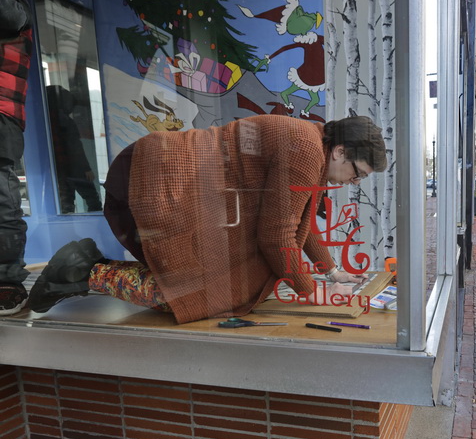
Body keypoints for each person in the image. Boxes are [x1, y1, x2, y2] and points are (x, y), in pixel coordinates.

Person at [28, 114, 387, 324]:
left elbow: (298, 224)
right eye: (356, 174)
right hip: (163, 180)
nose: (351, 183)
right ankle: (84, 269)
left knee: (215, 286)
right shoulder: (307, 149)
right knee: (190, 294)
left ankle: (87, 268)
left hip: (175, 181)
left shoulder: (315, 145)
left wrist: (332, 272)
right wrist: (316, 295)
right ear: (340, 151)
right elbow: (278, 237)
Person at [0, 0, 33, 316]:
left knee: (1, 200)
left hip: (1, 112)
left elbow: (8, 17)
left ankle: (6, 281)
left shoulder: (14, 10)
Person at [46, 85, 103, 213]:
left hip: (56, 168)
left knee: (65, 203)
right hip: (73, 168)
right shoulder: (65, 120)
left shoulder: (45, 120)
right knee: (92, 200)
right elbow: (74, 146)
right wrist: (86, 168)